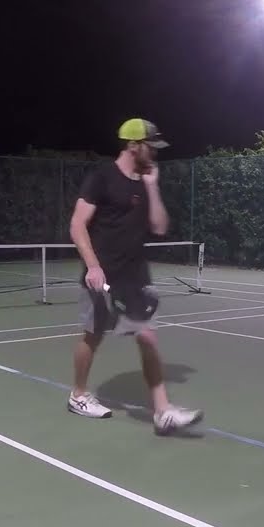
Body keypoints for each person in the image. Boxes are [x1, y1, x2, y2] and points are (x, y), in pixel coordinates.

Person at [67, 118, 203, 436]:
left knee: (147, 335)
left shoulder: (145, 182)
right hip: (101, 273)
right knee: (93, 334)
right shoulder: (102, 177)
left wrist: (153, 186)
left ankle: (162, 412)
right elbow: (77, 225)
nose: (154, 153)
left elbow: (158, 226)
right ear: (132, 145)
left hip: (134, 275)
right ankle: (77, 395)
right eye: (150, 147)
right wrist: (93, 266)